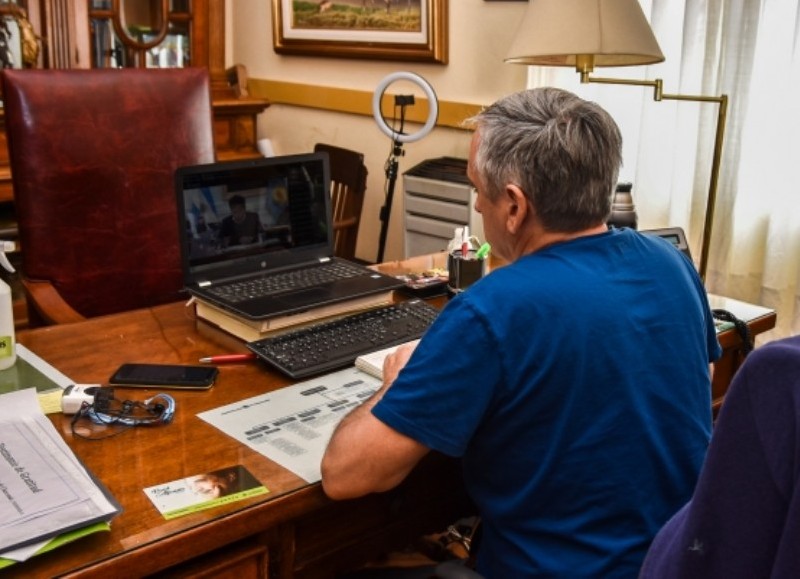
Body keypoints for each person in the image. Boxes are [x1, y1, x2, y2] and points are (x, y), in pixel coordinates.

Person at [321, 87, 721, 578]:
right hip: (674, 563)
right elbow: (687, 389)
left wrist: (396, 384)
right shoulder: (672, 265)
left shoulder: (493, 309)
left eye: (476, 189)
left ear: (513, 205)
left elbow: (346, 475)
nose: (477, 203)